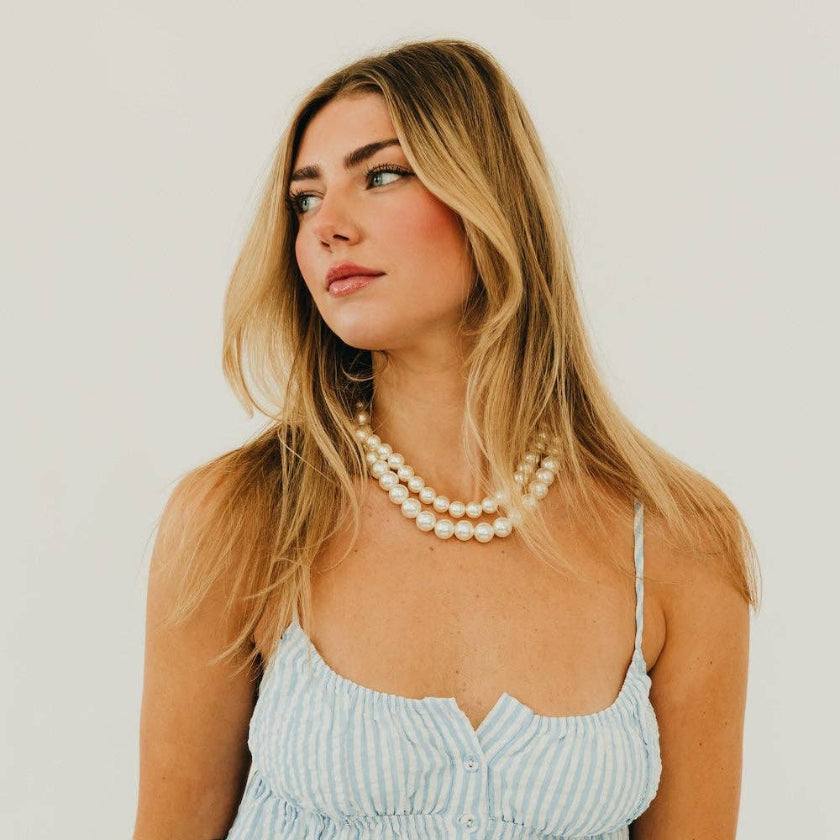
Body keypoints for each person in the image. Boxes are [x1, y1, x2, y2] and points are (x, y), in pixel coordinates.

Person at [133, 38, 760, 840]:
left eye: (382, 174)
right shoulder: (241, 518)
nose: (328, 227)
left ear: (489, 196)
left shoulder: (683, 543)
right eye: (305, 199)